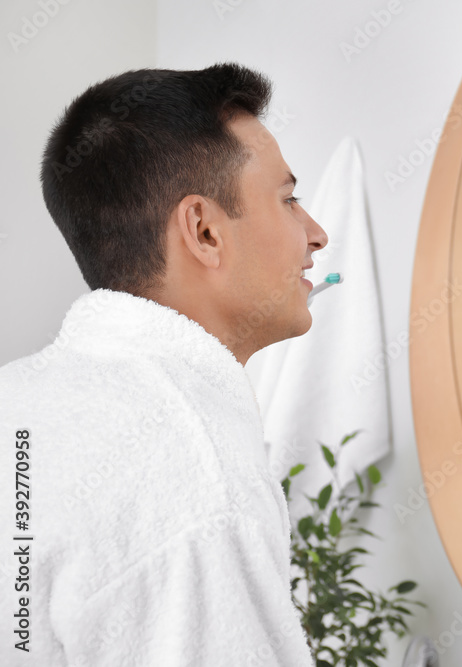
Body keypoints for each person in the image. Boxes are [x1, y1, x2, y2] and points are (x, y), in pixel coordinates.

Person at [0, 63, 327, 665]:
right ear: (204, 231)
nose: (317, 234)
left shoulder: (15, 400)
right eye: (289, 200)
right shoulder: (197, 475)